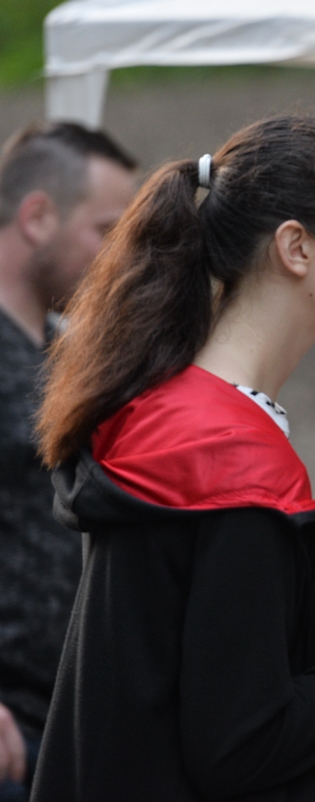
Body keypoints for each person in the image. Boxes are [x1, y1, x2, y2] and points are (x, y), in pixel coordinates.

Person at [30, 115, 315, 802]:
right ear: (296, 248)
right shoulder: (233, 461)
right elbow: (242, 747)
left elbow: (177, 670)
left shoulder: (166, 414)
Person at [0, 121, 137, 801]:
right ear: (36, 218)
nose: (119, 257)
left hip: (58, 724)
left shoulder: (64, 356)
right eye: (105, 231)